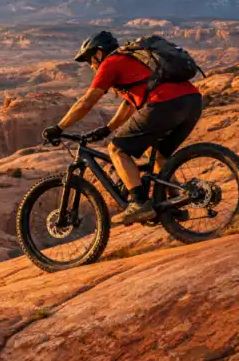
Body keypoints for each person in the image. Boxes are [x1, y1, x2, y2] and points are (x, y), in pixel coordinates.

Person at [43, 31, 203, 225]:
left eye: (90, 60)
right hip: (192, 102)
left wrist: (59, 128)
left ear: (99, 53)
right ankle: (175, 203)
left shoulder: (111, 63)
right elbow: (129, 105)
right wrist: (107, 129)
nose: (91, 66)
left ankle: (139, 204)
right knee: (159, 155)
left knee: (117, 150)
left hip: (165, 103)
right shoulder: (131, 61)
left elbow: (86, 102)